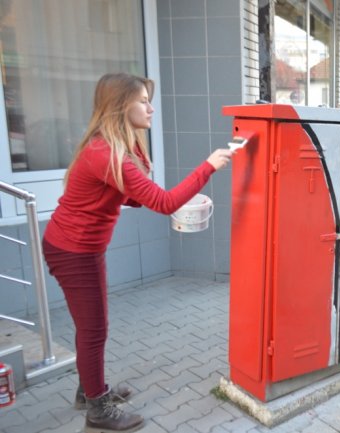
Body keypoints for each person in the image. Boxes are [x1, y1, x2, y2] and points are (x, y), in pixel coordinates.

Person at [42, 73, 232, 433]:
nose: (151, 107)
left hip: (81, 246)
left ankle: (89, 390)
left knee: (92, 327)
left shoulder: (118, 148)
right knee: (94, 328)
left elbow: (126, 194)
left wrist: (140, 181)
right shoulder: (105, 152)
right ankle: (97, 409)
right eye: (143, 100)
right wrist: (209, 166)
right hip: (73, 249)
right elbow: (162, 202)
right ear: (119, 106)